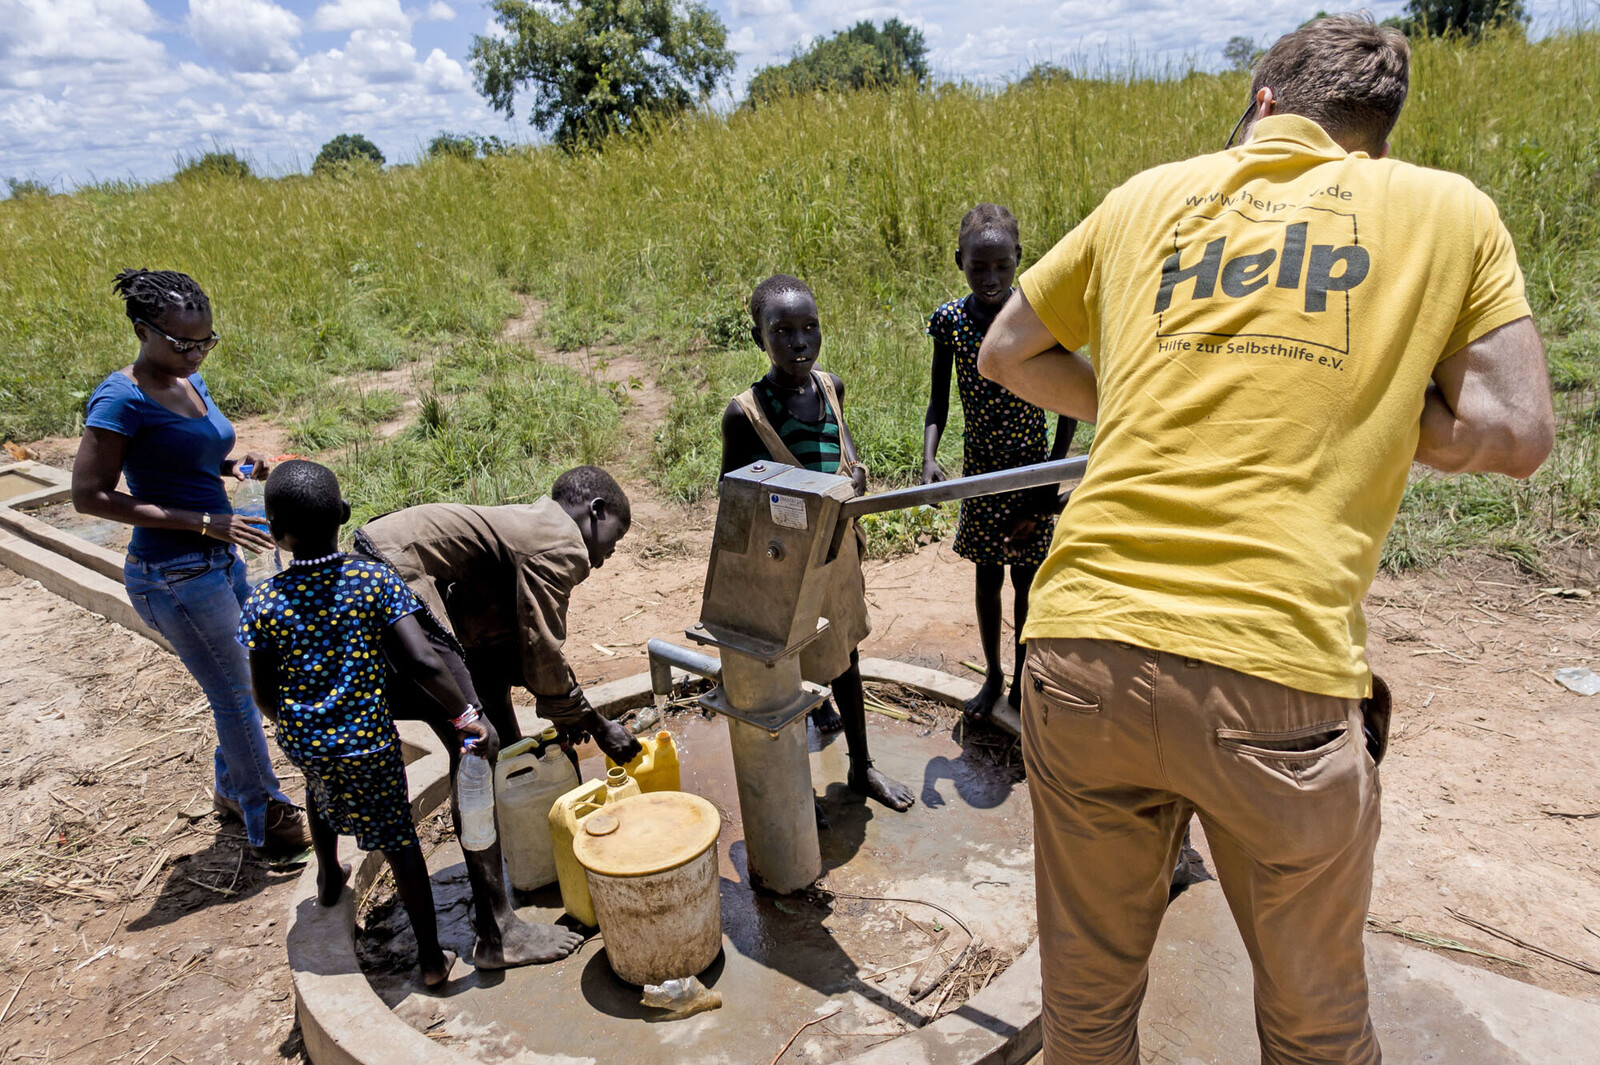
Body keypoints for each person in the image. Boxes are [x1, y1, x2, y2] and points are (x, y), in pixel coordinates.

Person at [978, 15, 1553, 1064]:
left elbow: (1008, 349)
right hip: (1274, 683)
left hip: (1080, 654)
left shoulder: (1148, 195)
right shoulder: (1444, 209)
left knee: (1088, 1014)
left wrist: (1150, 398)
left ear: (1260, 104)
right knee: (1315, 1027)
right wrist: (1372, 404)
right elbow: (1514, 432)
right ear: (1372, 140)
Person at [349, 466, 635, 966]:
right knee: (475, 744)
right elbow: (543, 652)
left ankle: (497, 867)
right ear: (596, 512)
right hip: (394, 571)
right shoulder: (561, 541)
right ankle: (498, 932)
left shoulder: (520, 527)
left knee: (488, 727)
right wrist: (596, 725)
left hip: (378, 558)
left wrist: (549, 726)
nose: (608, 558)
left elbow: (494, 652)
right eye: (615, 539)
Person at [72, 269, 311, 858]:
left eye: (205, 340)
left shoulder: (189, 378)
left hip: (221, 555)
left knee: (248, 680)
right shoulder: (119, 399)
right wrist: (202, 521)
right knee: (238, 693)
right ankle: (270, 817)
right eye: (182, 343)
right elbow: (89, 496)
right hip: (172, 573)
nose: (196, 352)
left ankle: (233, 790)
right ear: (141, 331)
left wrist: (234, 466)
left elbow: (198, 453)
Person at [237, 460, 499, 987]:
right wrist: (466, 714)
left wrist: (295, 727)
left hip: (305, 740)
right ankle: (430, 959)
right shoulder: (371, 581)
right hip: (369, 746)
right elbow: (424, 661)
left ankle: (330, 873)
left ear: (272, 529)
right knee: (400, 844)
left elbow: (262, 690)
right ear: (344, 514)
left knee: (319, 790)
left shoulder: (263, 601)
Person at [720, 274, 914, 814]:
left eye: (809, 328)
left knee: (846, 651)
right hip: (785, 564)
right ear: (760, 339)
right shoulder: (747, 413)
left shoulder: (829, 387)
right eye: (782, 331)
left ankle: (861, 765)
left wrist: (854, 479)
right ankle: (791, 794)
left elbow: (847, 451)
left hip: (838, 549)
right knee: (785, 667)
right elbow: (734, 501)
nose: (799, 341)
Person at [923, 203, 1077, 720]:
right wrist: (928, 458)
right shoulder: (950, 323)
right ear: (959, 262)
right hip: (982, 474)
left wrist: (1047, 481)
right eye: (978, 266)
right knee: (987, 579)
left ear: (1019, 260)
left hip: (1031, 471)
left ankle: (1022, 679)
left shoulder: (1035, 320)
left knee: (1027, 583)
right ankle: (992, 675)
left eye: (1002, 266)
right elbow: (938, 402)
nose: (990, 278)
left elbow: (1069, 408)